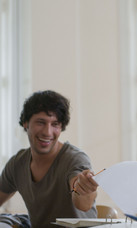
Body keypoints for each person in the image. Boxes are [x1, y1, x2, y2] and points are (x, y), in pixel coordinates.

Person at [0, 90, 99, 228]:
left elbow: (84, 204)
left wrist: (85, 189)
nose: (47, 132)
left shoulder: (75, 159)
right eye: (41, 122)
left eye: (55, 124)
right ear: (25, 123)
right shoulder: (17, 163)